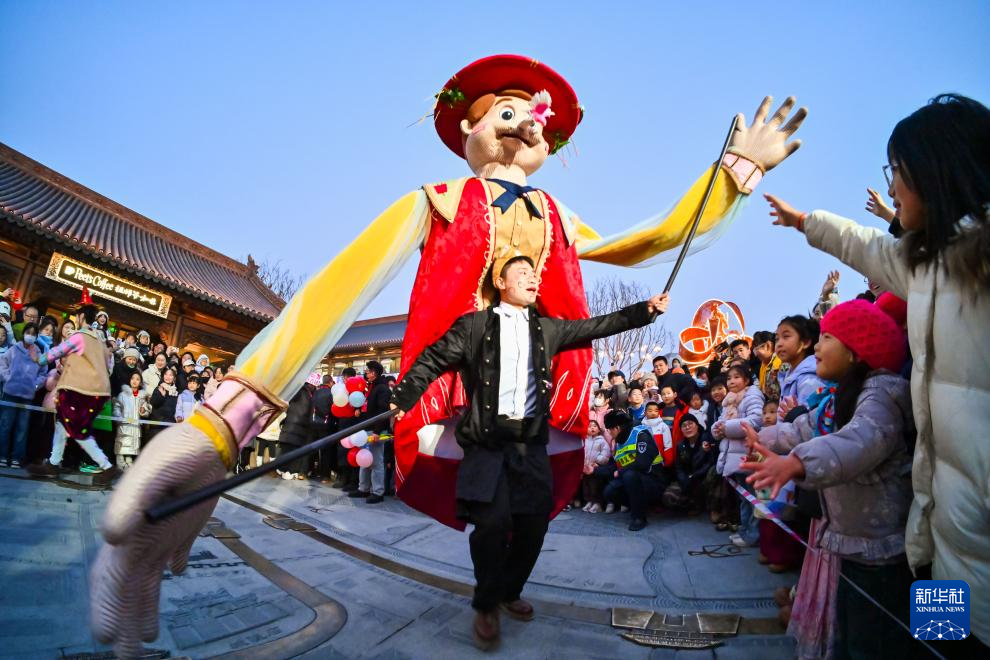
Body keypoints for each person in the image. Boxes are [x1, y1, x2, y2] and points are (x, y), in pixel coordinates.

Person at [766, 93, 990, 653]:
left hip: (978, 548)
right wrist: (805, 222)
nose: (891, 188)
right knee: (939, 646)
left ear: (935, 170)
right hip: (939, 540)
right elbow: (867, 246)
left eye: (896, 171)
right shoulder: (929, 265)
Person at [389, 255, 670, 648]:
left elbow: (597, 325)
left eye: (534, 273)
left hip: (530, 443)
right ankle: (487, 603)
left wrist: (644, 311)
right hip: (487, 441)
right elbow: (434, 358)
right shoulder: (474, 326)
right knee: (490, 524)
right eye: (522, 273)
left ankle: (509, 590)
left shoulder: (547, 329)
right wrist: (405, 395)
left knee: (534, 524)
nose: (532, 277)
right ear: (501, 282)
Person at [743, 300, 914, 659]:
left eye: (827, 338)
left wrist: (795, 463)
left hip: (881, 551)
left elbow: (856, 442)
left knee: (876, 638)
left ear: (856, 351)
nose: (817, 346)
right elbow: (803, 428)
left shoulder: (880, 395)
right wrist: (765, 439)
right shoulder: (841, 395)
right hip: (856, 543)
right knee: (853, 629)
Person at [27, 296, 118, 478]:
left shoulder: (79, 336)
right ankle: (53, 463)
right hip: (98, 392)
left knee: (78, 430)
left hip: (80, 391)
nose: (76, 319)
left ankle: (107, 467)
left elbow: (58, 351)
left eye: (77, 316)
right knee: (63, 423)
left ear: (81, 316)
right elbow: (108, 364)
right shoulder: (100, 340)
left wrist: (39, 359)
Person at [712, 363, 765, 548]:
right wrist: (717, 429)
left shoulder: (752, 396)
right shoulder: (729, 400)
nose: (731, 381)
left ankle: (753, 536)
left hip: (748, 455)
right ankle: (744, 531)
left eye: (736, 377)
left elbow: (756, 420)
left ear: (747, 380)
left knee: (753, 498)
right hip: (736, 457)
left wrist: (726, 428)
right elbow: (720, 422)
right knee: (744, 498)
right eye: (729, 378)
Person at [603, 409, 666, 532]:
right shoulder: (619, 442)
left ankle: (639, 517)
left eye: (609, 430)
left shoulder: (640, 435)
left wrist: (620, 472)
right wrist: (593, 470)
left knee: (629, 475)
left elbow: (642, 464)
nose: (609, 433)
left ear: (617, 428)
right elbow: (615, 467)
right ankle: (639, 505)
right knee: (610, 492)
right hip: (634, 481)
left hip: (654, 480)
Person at [0, 322, 47, 468]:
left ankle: (17, 457)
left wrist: (35, 385)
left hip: (27, 397)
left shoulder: (38, 353)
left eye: (33, 334)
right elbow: (2, 365)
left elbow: (43, 373)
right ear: (24, 333)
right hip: (10, 393)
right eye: (28, 332)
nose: (30, 336)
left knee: (22, 428)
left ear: (36, 336)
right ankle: (2, 455)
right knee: (5, 425)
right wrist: (8, 378)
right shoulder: (14, 349)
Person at [351, 360, 390, 502]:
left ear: (374, 373)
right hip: (367, 429)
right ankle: (363, 489)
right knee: (364, 460)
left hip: (377, 430)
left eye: (367, 371)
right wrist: (359, 411)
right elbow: (369, 408)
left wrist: (377, 432)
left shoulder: (383, 389)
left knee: (376, 462)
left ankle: (378, 492)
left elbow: (382, 412)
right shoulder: (371, 387)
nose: (365, 373)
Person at [663, 415, 715, 513]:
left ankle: (702, 504)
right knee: (668, 496)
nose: (687, 427)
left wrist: (694, 476)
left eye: (690, 424)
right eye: (684, 425)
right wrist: (684, 479)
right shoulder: (680, 445)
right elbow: (678, 467)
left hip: (702, 478)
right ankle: (692, 503)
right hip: (687, 479)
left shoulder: (705, 440)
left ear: (697, 425)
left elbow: (710, 462)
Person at [774, 315, 823, 408]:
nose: (779, 344)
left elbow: (813, 415)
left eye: (786, 336)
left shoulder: (809, 378)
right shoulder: (787, 374)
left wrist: (794, 414)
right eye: (777, 339)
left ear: (805, 342)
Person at [276, 380, 316, 480]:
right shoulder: (307, 394)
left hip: (291, 427)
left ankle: (283, 469)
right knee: (293, 451)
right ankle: (290, 471)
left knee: (286, 450)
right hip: (299, 428)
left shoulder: (299, 391)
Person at [113, 372, 150, 469]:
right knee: (122, 442)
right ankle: (120, 461)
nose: (134, 381)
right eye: (133, 378)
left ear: (140, 382)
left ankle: (129, 460)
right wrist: (119, 417)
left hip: (135, 424)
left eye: (137, 379)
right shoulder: (122, 394)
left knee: (132, 443)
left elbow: (146, 410)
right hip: (124, 424)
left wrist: (143, 410)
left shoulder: (142, 396)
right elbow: (117, 407)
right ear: (129, 380)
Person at [580, 419, 611, 513]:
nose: (592, 428)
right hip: (585, 467)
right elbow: (581, 452)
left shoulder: (602, 441)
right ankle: (589, 501)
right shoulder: (584, 440)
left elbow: (605, 454)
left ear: (598, 429)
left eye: (594, 426)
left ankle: (597, 503)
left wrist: (597, 461)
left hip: (596, 467)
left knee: (595, 486)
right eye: (589, 426)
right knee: (586, 485)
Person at [145, 368, 178, 443]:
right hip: (157, 425)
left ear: (174, 378)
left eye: (170, 375)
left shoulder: (175, 392)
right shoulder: (158, 388)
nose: (168, 377)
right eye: (166, 374)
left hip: (169, 426)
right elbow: (154, 403)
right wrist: (162, 395)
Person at [751, 330, 781, 401]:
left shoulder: (782, 362)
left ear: (768, 345)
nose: (756, 354)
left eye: (756, 349)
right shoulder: (763, 366)